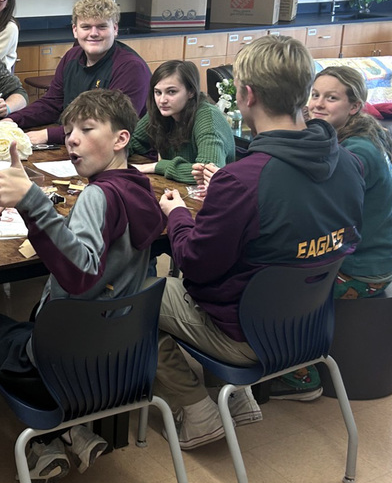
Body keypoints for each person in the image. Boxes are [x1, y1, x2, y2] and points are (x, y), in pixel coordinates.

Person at [154, 35, 364, 450]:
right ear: (304, 94)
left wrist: (176, 215)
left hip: (247, 336)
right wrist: (229, 196)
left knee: (133, 295)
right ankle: (238, 401)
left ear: (246, 94)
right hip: (308, 327)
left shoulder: (244, 181)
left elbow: (194, 262)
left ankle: (197, 412)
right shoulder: (349, 163)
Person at [0, 89, 166, 483]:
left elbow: (80, 274)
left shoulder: (96, 195)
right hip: (122, 367)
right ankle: (73, 431)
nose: (71, 138)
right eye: (69, 130)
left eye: (87, 129)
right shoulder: (140, 189)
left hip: (65, 372)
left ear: (121, 138)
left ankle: (45, 440)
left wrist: (34, 201)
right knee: (35, 317)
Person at [266, 64, 392, 401]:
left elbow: (321, 207)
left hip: (361, 269)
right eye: (315, 94)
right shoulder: (360, 135)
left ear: (354, 106)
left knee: (274, 285)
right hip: (364, 254)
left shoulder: (356, 152)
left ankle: (300, 378)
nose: (318, 103)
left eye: (331, 98)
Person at [6, 0, 150, 146]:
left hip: (123, 155)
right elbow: (52, 103)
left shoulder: (131, 68)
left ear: (115, 29)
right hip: (78, 144)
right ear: (75, 30)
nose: (93, 33)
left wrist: (48, 134)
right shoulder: (71, 57)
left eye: (102, 26)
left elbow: (110, 124)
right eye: (86, 27)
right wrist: (12, 120)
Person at [129, 60, 235, 184]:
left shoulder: (208, 117)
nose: (162, 100)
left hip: (213, 196)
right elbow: (130, 142)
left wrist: (157, 166)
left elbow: (206, 173)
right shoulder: (161, 112)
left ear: (191, 92)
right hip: (177, 189)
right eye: (158, 92)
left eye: (171, 92)